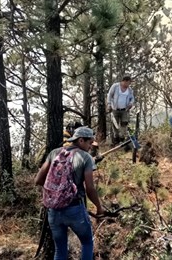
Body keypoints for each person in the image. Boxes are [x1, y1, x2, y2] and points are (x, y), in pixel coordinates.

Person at [34, 127, 104, 260]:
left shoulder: (54, 153)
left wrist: (56, 191)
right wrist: (99, 208)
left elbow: (38, 180)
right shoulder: (85, 158)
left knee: (60, 249)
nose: (90, 147)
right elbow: (90, 188)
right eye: (90, 143)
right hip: (74, 209)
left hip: (53, 211)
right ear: (81, 140)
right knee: (87, 242)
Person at [107, 76, 135, 144]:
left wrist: (131, 103)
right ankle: (116, 139)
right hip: (115, 109)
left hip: (125, 110)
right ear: (124, 81)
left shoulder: (130, 90)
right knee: (115, 125)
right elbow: (109, 95)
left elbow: (132, 98)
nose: (129, 84)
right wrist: (109, 104)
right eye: (129, 82)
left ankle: (122, 138)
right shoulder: (115, 86)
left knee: (124, 123)